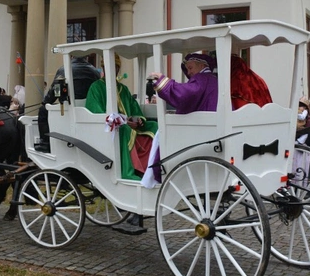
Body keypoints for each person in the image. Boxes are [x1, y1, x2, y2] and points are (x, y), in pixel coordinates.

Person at [85, 55, 158, 235]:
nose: (114, 72)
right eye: (111, 68)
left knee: (154, 126)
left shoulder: (123, 89)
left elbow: (135, 110)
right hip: (112, 132)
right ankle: (129, 172)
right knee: (123, 130)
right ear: (104, 69)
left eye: (116, 69)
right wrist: (123, 123)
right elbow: (97, 114)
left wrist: (138, 121)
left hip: (129, 129)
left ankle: (153, 167)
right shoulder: (96, 88)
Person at [36, 56, 101, 153]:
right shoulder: (95, 71)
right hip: (89, 109)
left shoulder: (64, 69)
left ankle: (45, 143)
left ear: (72, 56)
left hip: (69, 109)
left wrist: (46, 101)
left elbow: (55, 90)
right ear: (86, 57)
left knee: (42, 110)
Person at [148, 53, 218, 113]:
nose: (188, 72)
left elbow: (185, 94)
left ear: (202, 66)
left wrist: (163, 82)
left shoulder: (201, 79)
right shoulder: (213, 79)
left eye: (190, 68)